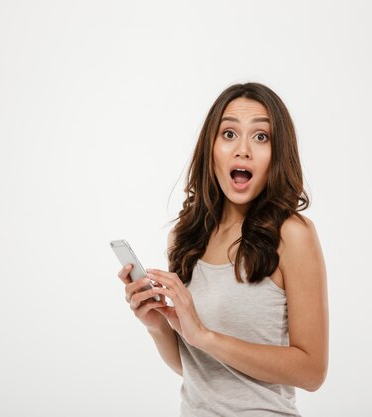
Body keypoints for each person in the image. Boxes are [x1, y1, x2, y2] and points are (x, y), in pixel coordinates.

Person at [117, 82, 328, 416]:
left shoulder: (292, 234)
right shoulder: (185, 237)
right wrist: (157, 323)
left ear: (277, 154)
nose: (242, 149)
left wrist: (205, 336)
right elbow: (196, 369)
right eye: (229, 134)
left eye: (261, 137)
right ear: (211, 147)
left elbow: (312, 371)